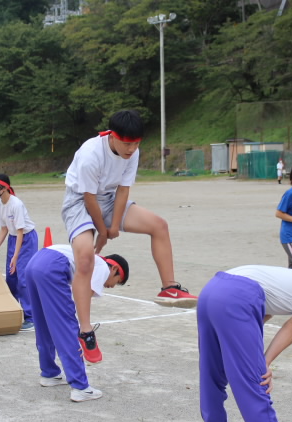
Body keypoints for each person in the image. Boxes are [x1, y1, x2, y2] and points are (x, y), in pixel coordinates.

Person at [62, 109, 197, 364]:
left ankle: (169, 288)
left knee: (159, 225)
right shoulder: (92, 154)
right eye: (126, 143)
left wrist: (114, 227)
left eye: (136, 144)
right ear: (112, 136)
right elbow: (89, 198)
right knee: (85, 260)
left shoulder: (132, 152)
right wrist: (103, 232)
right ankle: (85, 331)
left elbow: (123, 191)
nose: (131, 149)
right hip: (80, 202)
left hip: (110, 200)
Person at [198, 265, 292, 422]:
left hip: (212, 289)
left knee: (212, 373)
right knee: (255, 380)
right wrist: (264, 363)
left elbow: (256, 319)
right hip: (238, 296)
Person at [23, 244, 129, 402]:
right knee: (66, 328)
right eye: (117, 280)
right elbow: (83, 296)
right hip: (53, 266)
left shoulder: (89, 261)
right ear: (114, 269)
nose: (112, 286)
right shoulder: (102, 266)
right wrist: (84, 328)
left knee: (43, 323)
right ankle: (80, 387)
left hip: (34, 263)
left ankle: (49, 373)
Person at [0, 173, 38, 330]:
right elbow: (4, 229)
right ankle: (13, 313)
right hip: (13, 239)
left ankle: (31, 317)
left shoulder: (16, 204)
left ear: (5, 188)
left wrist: (15, 257)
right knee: (11, 278)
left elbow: (20, 231)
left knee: (22, 277)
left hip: (26, 239)